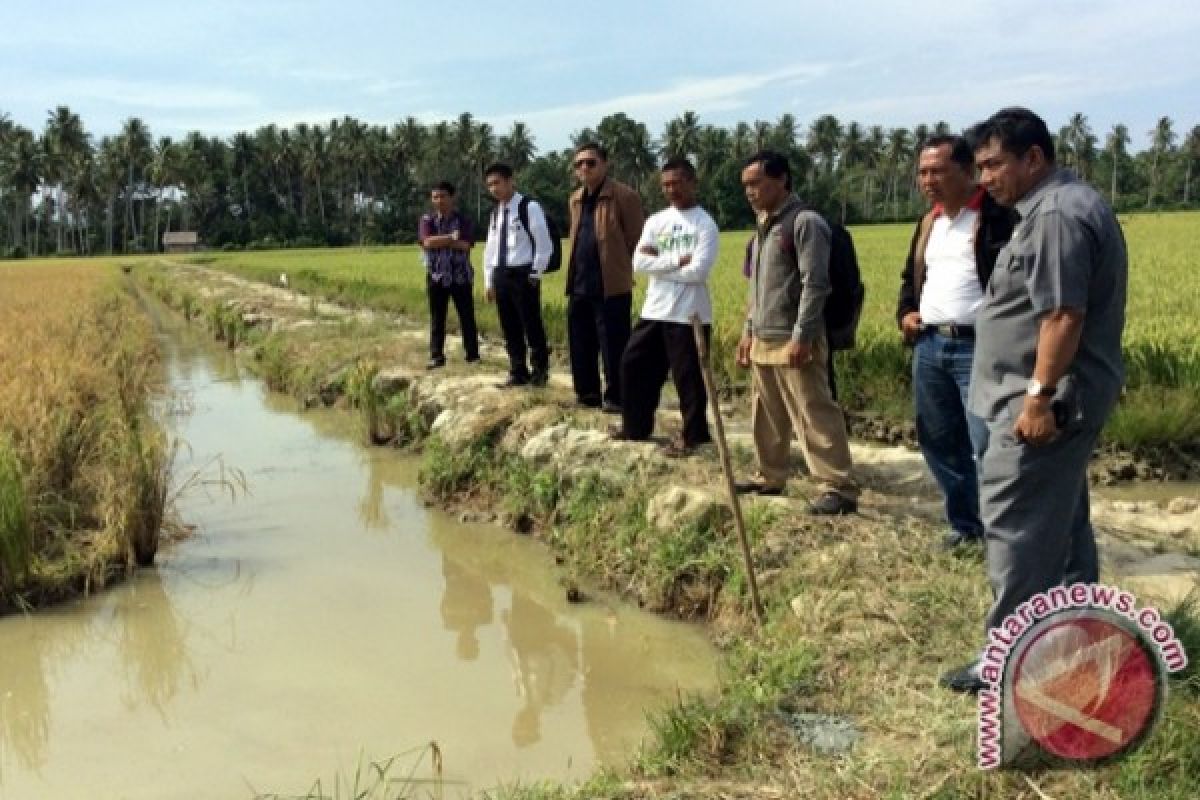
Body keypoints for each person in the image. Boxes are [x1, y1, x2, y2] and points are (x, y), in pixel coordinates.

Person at [940, 108, 1128, 693]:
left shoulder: (1055, 215)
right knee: (1063, 527)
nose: (985, 177)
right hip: (1044, 402)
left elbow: (1063, 314)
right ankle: (1076, 645)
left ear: (1035, 159)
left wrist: (1037, 399)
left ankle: (1008, 663)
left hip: (1039, 411)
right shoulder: (1057, 207)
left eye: (995, 164)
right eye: (981, 166)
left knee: (1017, 530)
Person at [896, 136, 1015, 549]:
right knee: (939, 439)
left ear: (967, 171)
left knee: (986, 442)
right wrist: (906, 312)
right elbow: (909, 277)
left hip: (978, 346)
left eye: (938, 171)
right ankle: (966, 528)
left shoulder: (997, 217)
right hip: (930, 345)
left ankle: (1002, 536)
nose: (928, 180)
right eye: (923, 172)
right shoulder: (931, 222)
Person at [734, 151, 859, 515]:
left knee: (813, 410)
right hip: (763, 335)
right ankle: (769, 475)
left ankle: (837, 485)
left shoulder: (804, 223)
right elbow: (755, 288)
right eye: (746, 186)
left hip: (794, 337)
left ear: (783, 180)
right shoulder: (761, 229)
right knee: (766, 412)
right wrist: (747, 331)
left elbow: (815, 283)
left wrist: (803, 335)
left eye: (756, 183)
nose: (750, 192)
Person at [611, 157, 718, 455]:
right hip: (655, 309)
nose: (672, 189)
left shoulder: (705, 224)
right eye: (666, 185)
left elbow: (699, 271)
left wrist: (659, 264)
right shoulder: (656, 221)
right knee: (633, 365)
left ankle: (694, 436)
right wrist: (675, 261)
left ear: (692, 183)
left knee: (689, 379)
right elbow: (638, 262)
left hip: (689, 313)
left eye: (678, 183)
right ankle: (635, 426)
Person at [565, 143, 645, 412]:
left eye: (591, 162)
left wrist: (622, 269)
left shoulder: (624, 196)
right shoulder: (575, 199)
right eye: (579, 164)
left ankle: (616, 397)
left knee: (614, 345)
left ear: (605, 165)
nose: (584, 168)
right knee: (580, 343)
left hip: (611, 284)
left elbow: (637, 239)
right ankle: (587, 394)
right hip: (579, 282)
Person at [482, 163, 552, 388]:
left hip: (523, 274)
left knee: (531, 325)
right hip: (501, 275)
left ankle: (540, 372)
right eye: (490, 185)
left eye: (498, 183)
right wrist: (488, 280)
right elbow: (490, 249)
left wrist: (535, 274)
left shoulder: (528, 207)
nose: (494, 189)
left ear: (511, 180)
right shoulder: (496, 213)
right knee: (509, 326)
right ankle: (517, 371)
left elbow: (544, 244)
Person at [417, 181, 480, 369]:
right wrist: (452, 238)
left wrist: (440, 241)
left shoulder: (463, 220)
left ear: (452, 197)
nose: (439, 200)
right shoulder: (427, 220)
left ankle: (472, 356)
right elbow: (426, 242)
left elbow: (466, 245)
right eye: (435, 197)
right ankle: (436, 356)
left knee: (467, 317)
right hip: (436, 275)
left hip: (461, 275)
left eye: (443, 196)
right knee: (437, 317)